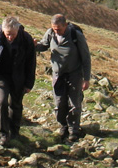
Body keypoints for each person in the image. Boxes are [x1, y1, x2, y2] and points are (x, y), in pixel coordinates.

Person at [0, 16, 36, 146]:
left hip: (19, 76)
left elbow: (31, 63)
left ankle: (14, 132)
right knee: (1, 101)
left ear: (18, 31)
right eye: (8, 34)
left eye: (13, 34)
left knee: (16, 105)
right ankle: (4, 134)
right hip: (0, 76)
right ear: (3, 31)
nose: (10, 37)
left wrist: (29, 83)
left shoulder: (26, 40)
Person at [35, 14, 91, 143]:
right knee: (59, 102)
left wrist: (86, 78)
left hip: (74, 73)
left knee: (74, 103)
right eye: (54, 28)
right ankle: (63, 126)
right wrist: (34, 45)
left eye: (59, 29)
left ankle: (73, 130)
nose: (56, 31)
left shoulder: (76, 36)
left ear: (65, 25)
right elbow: (43, 45)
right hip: (58, 73)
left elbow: (86, 57)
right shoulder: (50, 34)